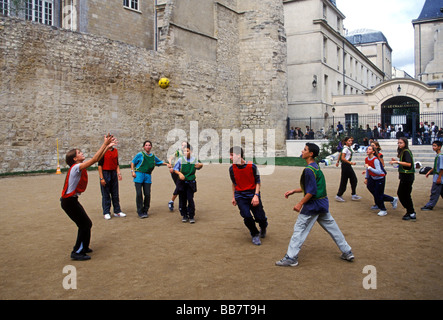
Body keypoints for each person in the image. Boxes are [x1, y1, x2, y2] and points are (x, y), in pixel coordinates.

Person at [275, 143, 354, 267]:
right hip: (322, 203)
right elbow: (312, 187)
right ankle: (347, 251)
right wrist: (294, 191)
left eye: (305, 149)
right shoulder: (315, 167)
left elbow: (311, 191)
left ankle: (291, 257)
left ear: (310, 154)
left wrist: (300, 203)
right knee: (333, 228)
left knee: (299, 230)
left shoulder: (308, 170)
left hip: (313, 206)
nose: (302, 151)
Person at [60, 134, 117, 261]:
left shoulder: (77, 166)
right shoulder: (76, 167)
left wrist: (107, 148)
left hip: (71, 201)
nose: (82, 153)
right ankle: (77, 251)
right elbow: (95, 160)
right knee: (84, 225)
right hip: (69, 202)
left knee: (86, 224)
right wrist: (105, 144)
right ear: (75, 159)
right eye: (79, 153)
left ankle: (84, 247)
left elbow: (97, 159)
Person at [229, 146, 268, 246]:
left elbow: (258, 182)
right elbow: (234, 183)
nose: (230, 157)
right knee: (246, 216)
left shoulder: (252, 166)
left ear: (238, 155)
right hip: (240, 195)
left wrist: (256, 195)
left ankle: (263, 226)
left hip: (252, 194)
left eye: (232, 155)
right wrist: (234, 197)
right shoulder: (231, 169)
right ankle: (254, 234)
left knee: (260, 217)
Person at [131, 140, 170, 219]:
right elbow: (133, 162)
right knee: (139, 194)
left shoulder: (152, 156)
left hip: (147, 176)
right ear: (143, 147)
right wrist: (132, 171)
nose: (148, 146)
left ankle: (145, 210)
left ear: (151, 147)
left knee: (147, 194)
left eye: (149, 145)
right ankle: (140, 211)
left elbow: (158, 162)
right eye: (146, 145)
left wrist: (167, 164)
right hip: (139, 175)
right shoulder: (140, 154)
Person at [364, 146, 398, 216]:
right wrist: (366, 178)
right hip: (372, 178)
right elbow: (367, 169)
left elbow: (379, 172)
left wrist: (369, 167)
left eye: (369, 149)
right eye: (367, 149)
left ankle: (383, 209)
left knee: (378, 194)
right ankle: (392, 199)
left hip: (380, 178)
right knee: (371, 189)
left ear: (373, 152)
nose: (367, 150)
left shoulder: (375, 160)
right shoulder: (366, 159)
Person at [173, 143, 203, 223]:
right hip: (182, 183)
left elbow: (199, 165)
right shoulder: (180, 160)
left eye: (187, 151)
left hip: (190, 182)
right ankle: (184, 215)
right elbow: (175, 169)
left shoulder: (194, 160)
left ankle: (191, 215)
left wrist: (201, 165)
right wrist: (180, 174)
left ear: (191, 151)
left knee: (190, 199)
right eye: (184, 151)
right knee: (182, 199)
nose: (186, 153)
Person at [389, 137, 416, 221]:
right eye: (398, 143)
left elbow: (409, 164)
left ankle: (411, 212)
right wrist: (397, 161)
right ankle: (410, 211)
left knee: (404, 194)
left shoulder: (406, 152)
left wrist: (397, 162)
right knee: (402, 194)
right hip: (405, 176)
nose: (399, 144)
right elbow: (403, 164)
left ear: (405, 143)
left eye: (401, 143)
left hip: (407, 176)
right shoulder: (403, 152)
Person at [98, 145, 126, 220]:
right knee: (106, 194)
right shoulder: (103, 151)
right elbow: (100, 165)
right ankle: (106, 212)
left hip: (113, 173)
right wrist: (101, 178)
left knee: (115, 193)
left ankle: (117, 211)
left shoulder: (115, 151)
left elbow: (116, 163)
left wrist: (119, 173)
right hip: (105, 172)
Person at [335, 136, 362, 202]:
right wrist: (350, 162)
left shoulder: (347, 148)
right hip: (346, 165)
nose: (351, 142)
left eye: (351, 141)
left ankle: (353, 194)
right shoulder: (345, 149)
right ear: (346, 142)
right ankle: (339, 195)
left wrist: (337, 161)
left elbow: (340, 154)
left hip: (347, 165)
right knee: (346, 180)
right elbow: (343, 158)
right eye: (349, 141)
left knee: (353, 179)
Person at [421, 140, 443, 211]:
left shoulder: (440, 156)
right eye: (433, 146)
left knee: (434, 191)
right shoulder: (438, 155)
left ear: (439, 147)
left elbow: (441, 168)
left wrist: (439, 178)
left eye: (435, 146)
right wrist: (429, 171)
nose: (433, 147)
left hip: (438, 177)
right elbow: (436, 166)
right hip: (437, 176)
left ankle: (430, 205)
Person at [167, 141, 188, 211]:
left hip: (184, 172)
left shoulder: (188, 153)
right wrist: (170, 166)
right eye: (182, 145)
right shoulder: (178, 152)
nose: (184, 146)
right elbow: (170, 158)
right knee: (179, 187)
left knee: (183, 188)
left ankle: (176, 202)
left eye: (185, 145)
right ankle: (174, 202)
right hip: (176, 172)